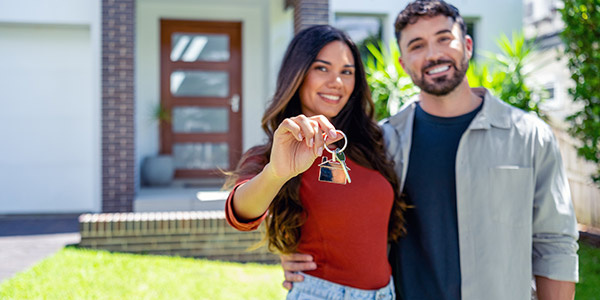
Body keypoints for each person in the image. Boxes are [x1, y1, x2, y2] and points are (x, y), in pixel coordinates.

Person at [280, 1, 579, 300]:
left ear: (468, 45)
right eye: (417, 45)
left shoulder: (529, 135)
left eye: (444, 38)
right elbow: (334, 206)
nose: (434, 54)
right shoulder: (382, 141)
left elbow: (555, 244)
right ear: (403, 63)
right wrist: (297, 253)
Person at [224, 25, 405, 299]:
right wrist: (275, 173)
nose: (337, 82)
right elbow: (239, 212)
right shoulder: (273, 154)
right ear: (297, 75)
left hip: (385, 293)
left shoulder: (372, 143)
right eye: (322, 68)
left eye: (347, 71)